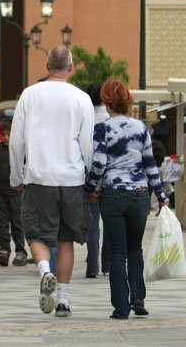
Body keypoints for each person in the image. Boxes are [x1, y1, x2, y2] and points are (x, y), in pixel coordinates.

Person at [9, 45, 94, 318]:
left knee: (35, 234)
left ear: (47, 66)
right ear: (70, 68)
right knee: (66, 239)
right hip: (71, 178)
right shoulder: (81, 98)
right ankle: (63, 301)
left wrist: (15, 175)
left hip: (39, 176)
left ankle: (45, 270)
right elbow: (87, 144)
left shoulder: (29, 95)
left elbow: (16, 141)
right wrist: (88, 172)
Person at [85, 79, 169, 319]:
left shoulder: (102, 128)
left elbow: (99, 162)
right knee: (135, 249)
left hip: (111, 194)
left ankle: (121, 307)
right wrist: (161, 195)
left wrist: (91, 187)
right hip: (140, 195)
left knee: (117, 252)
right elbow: (150, 163)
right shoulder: (140, 128)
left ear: (107, 102)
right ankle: (138, 299)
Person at [0, 118, 28, 267]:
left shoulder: (20, 150)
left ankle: (21, 250)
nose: (6, 137)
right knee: (1, 222)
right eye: (3, 134)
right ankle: (4, 249)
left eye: (9, 134)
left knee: (17, 223)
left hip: (16, 193)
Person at [84, 82, 110, 278]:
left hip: (88, 175)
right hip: (109, 177)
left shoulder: (84, 117)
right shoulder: (110, 118)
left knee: (92, 224)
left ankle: (91, 266)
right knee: (109, 222)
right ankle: (107, 265)